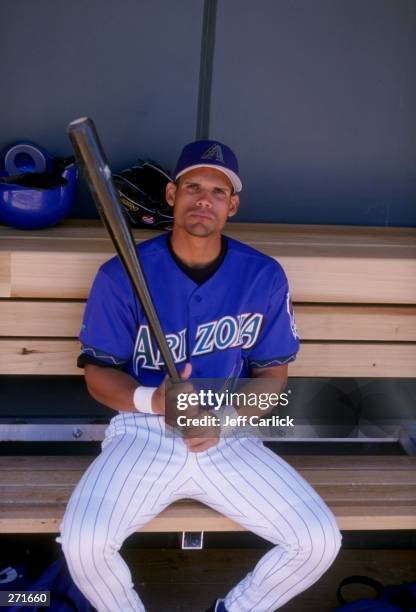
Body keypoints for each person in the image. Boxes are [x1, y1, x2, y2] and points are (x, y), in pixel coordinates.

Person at [59, 139, 342, 612]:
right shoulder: (121, 273)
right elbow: (98, 375)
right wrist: (156, 401)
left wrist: (225, 417)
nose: (203, 199)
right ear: (172, 195)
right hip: (143, 431)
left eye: (217, 190)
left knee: (318, 540)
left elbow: (273, 376)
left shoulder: (263, 275)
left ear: (232, 204)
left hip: (228, 434)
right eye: (193, 186)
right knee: (82, 542)